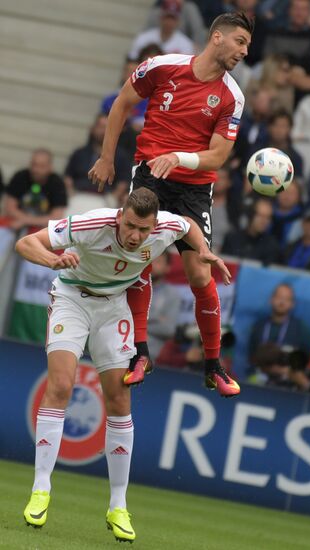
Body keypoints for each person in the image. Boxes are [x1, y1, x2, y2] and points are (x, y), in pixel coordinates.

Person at [15, 187, 232, 542]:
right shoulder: (91, 224)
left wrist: (204, 250)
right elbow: (25, 243)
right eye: (130, 226)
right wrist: (53, 260)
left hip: (114, 306)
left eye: (143, 231)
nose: (136, 237)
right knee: (61, 385)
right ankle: (41, 490)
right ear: (120, 216)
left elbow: (189, 223)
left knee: (119, 399)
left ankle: (118, 506)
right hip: (72, 298)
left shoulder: (164, 226)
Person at [88, 12, 254, 397]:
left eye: (247, 46)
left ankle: (213, 365)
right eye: (241, 42)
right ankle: (141, 352)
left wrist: (180, 158)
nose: (245, 51)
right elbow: (121, 104)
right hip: (150, 178)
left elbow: (217, 157)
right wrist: (107, 157)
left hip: (194, 189)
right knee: (138, 256)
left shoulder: (233, 96)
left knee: (200, 274)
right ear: (217, 37)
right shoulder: (162, 67)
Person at [248, 283, 310, 386]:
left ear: (293, 304)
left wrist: (287, 371)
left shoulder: (301, 329)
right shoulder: (258, 326)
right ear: (271, 300)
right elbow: (251, 356)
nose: (282, 302)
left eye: (287, 299)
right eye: (279, 297)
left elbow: (307, 361)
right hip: (260, 379)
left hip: (289, 383)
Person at [3, 149, 67, 230]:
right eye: (34, 165)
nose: (36, 170)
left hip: (41, 228)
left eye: (41, 166)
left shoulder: (57, 183)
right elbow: (9, 208)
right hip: (15, 223)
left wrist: (25, 221)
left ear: (50, 167)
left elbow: (56, 217)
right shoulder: (20, 176)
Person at [128, 0, 195, 61]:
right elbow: (132, 62)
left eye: (173, 18)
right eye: (166, 17)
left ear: (178, 21)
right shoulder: (144, 38)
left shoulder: (185, 44)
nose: (169, 22)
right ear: (160, 17)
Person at [222, 197, 282, 265]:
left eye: (268, 217)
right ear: (251, 215)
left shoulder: (272, 246)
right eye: (260, 215)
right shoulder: (231, 239)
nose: (264, 221)